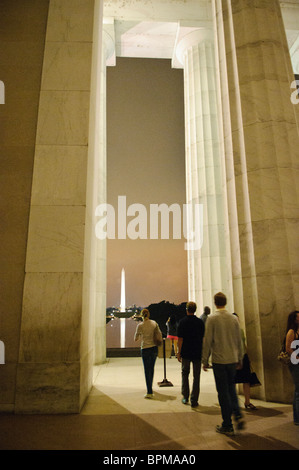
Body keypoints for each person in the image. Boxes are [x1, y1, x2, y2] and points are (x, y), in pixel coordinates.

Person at [202, 292, 244, 436]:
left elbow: (207, 341)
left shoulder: (212, 319)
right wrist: (240, 358)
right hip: (232, 359)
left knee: (223, 392)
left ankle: (227, 423)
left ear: (215, 303)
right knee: (231, 388)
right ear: (225, 302)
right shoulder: (233, 319)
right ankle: (237, 413)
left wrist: (205, 360)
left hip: (219, 360)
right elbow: (239, 340)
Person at [177, 301, 205, 408]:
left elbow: (180, 339)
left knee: (185, 373)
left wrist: (179, 352)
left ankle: (185, 396)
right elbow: (203, 339)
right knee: (196, 376)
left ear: (186, 309)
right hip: (197, 351)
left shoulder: (182, 322)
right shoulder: (200, 322)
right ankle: (194, 399)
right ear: (195, 310)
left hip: (186, 352)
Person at [233, 313, 260, 410]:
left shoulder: (240, 331)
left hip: (243, 357)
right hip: (233, 359)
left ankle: (247, 401)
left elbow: (243, 344)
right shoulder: (229, 332)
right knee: (233, 381)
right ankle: (233, 402)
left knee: (246, 380)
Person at [134, 308, 162, 398]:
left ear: (142, 315)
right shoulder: (154, 323)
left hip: (145, 348)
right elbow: (159, 333)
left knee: (147, 370)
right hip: (154, 348)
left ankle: (149, 391)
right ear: (149, 314)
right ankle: (150, 387)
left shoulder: (140, 325)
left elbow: (135, 338)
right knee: (152, 368)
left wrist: (141, 334)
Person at [285, 310, 299, 425]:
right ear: (294, 319)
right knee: (298, 390)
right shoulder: (291, 332)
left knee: (297, 390)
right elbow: (288, 349)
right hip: (295, 363)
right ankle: (297, 418)